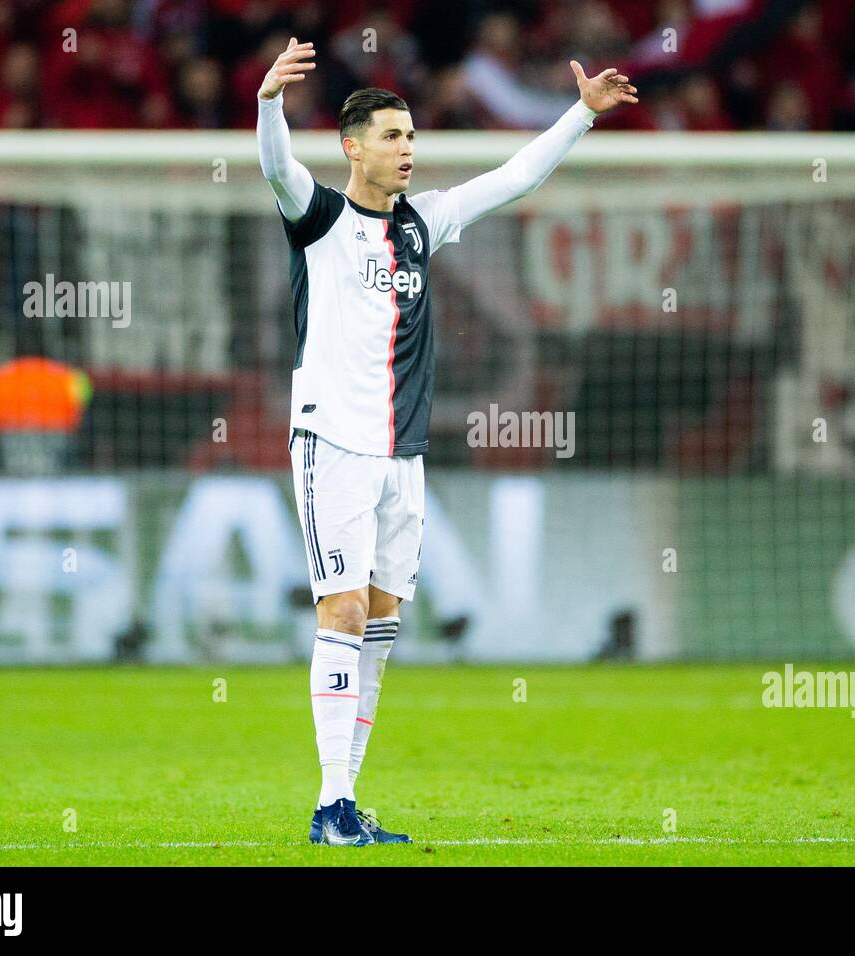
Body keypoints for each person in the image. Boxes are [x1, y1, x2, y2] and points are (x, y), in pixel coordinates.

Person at [256, 37, 636, 847]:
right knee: (345, 608)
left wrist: (581, 114)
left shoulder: (425, 223)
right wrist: (266, 105)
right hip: (332, 441)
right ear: (353, 147)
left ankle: (347, 802)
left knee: (384, 622)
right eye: (393, 137)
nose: (408, 150)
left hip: (405, 453)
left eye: (413, 137)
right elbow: (276, 169)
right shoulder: (319, 219)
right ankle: (328, 805)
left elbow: (516, 177)